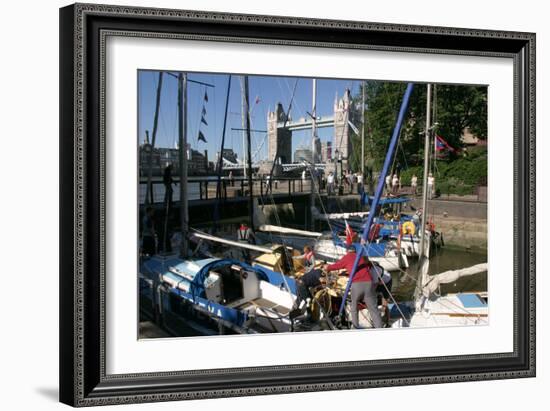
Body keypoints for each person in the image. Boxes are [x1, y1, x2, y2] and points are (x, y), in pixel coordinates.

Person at [324, 245, 383, 329]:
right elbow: (364, 267)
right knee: (373, 308)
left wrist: (327, 267)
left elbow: (337, 266)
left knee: (354, 306)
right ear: (355, 251)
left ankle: (355, 327)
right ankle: (379, 328)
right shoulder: (361, 257)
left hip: (357, 283)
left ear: (347, 251)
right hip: (369, 283)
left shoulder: (347, 257)